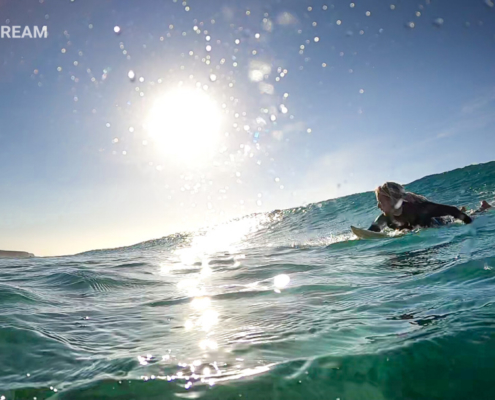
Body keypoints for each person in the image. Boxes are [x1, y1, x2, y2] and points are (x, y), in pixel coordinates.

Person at [368, 182, 473, 232]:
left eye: (381, 202)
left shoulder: (419, 209)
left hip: (440, 224)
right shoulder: (384, 218)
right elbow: (369, 234)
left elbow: (452, 211)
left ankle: (481, 209)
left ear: (393, 200)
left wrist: (470, 225)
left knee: (456, 219)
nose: (378, 206)